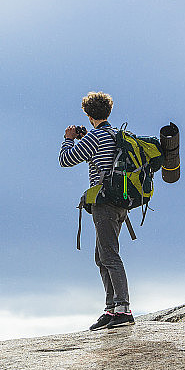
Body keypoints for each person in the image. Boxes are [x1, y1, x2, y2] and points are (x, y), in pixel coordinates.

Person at [59, 91, 135, 330]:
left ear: (89, 115)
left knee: (109, 255)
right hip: (121, 202)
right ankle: (111, 308)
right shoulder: (116, 135)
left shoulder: (96, 137)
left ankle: (123, 309)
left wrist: (69, 139)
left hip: (104, 202)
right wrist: (85, 137)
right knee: (102, 256)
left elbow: (66, 159)